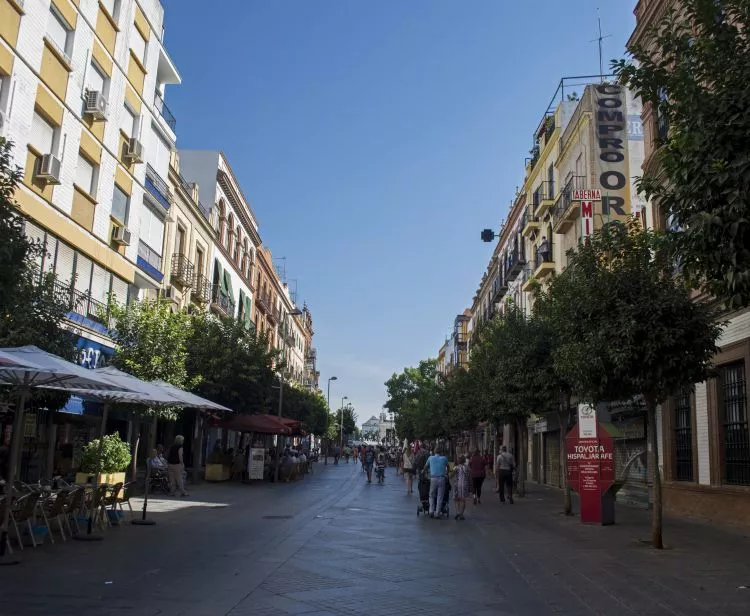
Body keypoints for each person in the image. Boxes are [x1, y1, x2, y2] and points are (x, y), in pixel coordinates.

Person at [426, 446, 449, 518]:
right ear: (441, 452)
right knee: (440, 496)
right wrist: (446, 473)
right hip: (442, 478)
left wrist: (424, 472)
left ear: (434, 452)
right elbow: (448, 467)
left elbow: (425, 466)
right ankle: (437, 513)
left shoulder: (430, 458)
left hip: (433, 478)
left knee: (431, 495)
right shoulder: (444, 458)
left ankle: (431, 511)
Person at [453, 455, 470, 520]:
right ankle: (461, 514)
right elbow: (470, 477)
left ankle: (457, 512)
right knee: (463, 500)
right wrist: (471, 486)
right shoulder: (467, 468)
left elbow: (451, 475)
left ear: (458, 461)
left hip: (457, 485)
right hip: (465, 485)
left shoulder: (456, 468)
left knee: (456, 499)